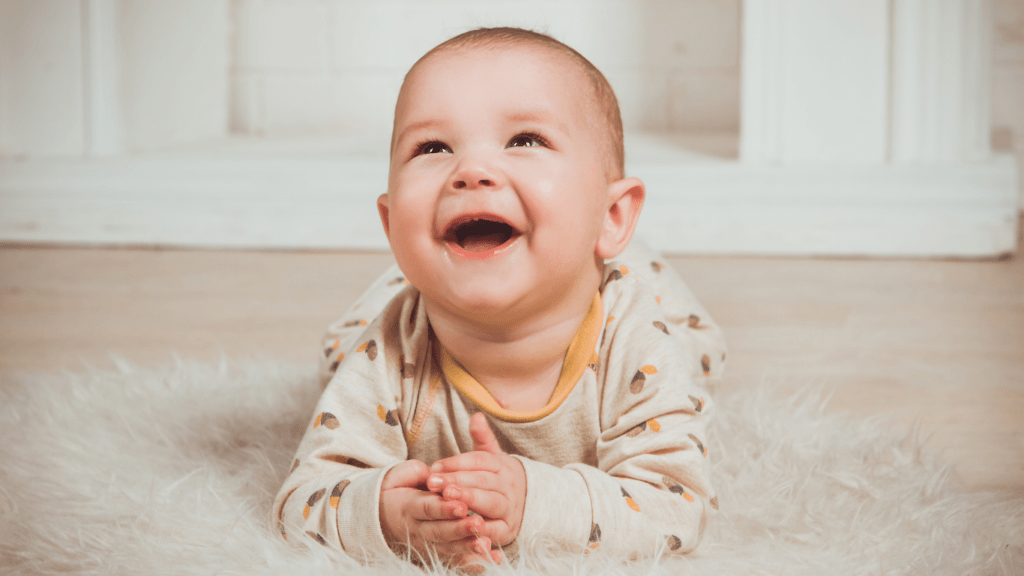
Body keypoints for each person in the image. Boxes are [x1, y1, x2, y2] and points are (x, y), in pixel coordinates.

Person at [272, 27, 726, 568]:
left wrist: (534, 499)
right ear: (391, 225)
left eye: (525, 141)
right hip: (419, 283)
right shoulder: (391, 351)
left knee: (699, 355)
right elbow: (302, 501)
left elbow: (677, 508)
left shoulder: (635, 341)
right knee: (340, 352)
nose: (471, 171)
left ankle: (622, 250)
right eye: (432, 148)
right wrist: (385, 514)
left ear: (612, 215)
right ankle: (415, 269)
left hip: (633, 292)